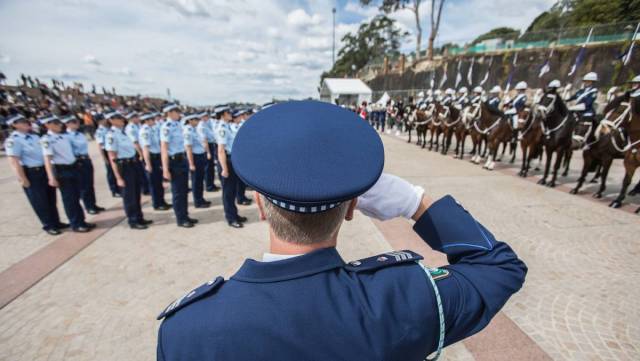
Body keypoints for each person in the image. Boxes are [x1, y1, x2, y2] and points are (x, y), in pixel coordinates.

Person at [156, 100, 527, 360]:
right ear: (353, 208)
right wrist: (415, 202)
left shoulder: (185, 329)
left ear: (260, 206)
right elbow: (500, 267)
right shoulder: (403, 298)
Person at [4, 114, 65, 235]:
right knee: (39, 201)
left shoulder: (35, 137)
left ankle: (56, 222)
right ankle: (48, 225)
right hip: (32, 172)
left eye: (26, 120)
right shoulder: (13, 140)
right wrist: (22, 178)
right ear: (14, 125)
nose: (26, 122)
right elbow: (14, 161)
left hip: (44, 170)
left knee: (50, 198)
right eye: (22, 121)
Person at [41, 115, 95, 233]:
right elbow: (47, 159)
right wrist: (51, 177)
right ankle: (76, 223)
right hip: (62, 170)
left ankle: (81, 221)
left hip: (73, 167)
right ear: (47, 125)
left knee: (76, 196)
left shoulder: (64, 136)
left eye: (59, 122)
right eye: (55, 122)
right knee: (69, 198)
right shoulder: (47, 139)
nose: (60, 124)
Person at [105, 111, 151, 230]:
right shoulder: (111, 135)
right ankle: (133, 220)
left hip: (133, 164)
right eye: (118, 118)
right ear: (111, 120)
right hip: (123, 167)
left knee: (136, 193)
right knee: (129, 195)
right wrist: (118, 177)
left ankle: (139, 217)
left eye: (121, 117)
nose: (121, 119)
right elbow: (112, 157)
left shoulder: (123, 132)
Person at [160, 104, 198, 228]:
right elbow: (164, 149)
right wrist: (165, 169)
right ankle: (181, 219)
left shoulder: (177, 125)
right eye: (176, 111)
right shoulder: (166, 127)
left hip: (182, 160)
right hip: (174, 162)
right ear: (169, 113)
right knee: (177, 192)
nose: (178, 113)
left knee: (183, 191)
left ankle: (185, 215)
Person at [60, 114, 105, 215]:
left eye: (76, 121)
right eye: (73, 122)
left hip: (86, 159)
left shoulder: (80, 134)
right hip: (77, 161)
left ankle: (93, 204)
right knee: (83, 185)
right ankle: (88, 206)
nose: (77, 123)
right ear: (67, 124)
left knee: (89, 183)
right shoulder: (65, 136)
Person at [213, 106, 246, 228]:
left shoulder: (226, 125)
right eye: (228, 113)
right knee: (228, 193)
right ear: (222, 114)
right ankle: (231, 218)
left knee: (232, 191)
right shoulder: (222, 127)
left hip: (231, 159)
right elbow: (221, 150)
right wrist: (224, 168)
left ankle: (235, 214)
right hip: (226, 161)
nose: (230, 114)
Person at [139, 113, 171, 211]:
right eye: (152, 119)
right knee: (154, 183)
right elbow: (145, 148)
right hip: (151, 159)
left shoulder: (152, 128)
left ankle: (161, 201)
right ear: (147, 120)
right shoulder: (145, 131)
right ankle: (157, 203)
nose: (154, 120)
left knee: (158, 182)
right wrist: (148, 164)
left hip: (157, 157)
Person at [183, 113, 210, 208]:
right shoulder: (188, 131)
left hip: (200, 156)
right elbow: (188, 148)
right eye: (195, 120)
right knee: (196, 181)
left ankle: (201, 199)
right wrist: (191, 164)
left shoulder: (194, 129)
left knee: (200, 180)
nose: (198, 121)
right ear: (190, 120)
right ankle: (198, 201)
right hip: (195, 158)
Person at [95, 114, 120, 198]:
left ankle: (118, 188)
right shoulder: (100, 131)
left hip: (112, 149)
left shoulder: (108, 128)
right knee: (111, 172)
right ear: (99, 121)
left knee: (116, 170)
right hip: (106, 151)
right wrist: (104, 158)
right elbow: (100, 146)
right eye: (103, 119)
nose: (105, 121)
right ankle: (114, 190)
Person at [125, 111, 150, 195]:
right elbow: (135, 142)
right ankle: (145, 188)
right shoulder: (130, 128)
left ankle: (147, 186)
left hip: (142, 148)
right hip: (137, 151)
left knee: (144, 170)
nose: (138, 118)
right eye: (136, 117)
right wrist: (141, 153)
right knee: (141, 171)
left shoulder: (138, 125)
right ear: (131, 118)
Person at [230, 109, 252, 206]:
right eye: (239, 116)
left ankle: (242, 196)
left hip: (241, 154)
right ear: (235, 118)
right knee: (238, 179)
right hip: (236, 154)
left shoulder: (239, 125)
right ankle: (240, 197)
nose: (241, 117)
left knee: (241, 179)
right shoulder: (233, 127)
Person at [196, 111, 219, 192]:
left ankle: (211, 184)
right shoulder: (201, 126)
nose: (207, 117)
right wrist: (208, 152)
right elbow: (204, 140)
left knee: (211, 167)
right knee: (208, 168)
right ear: (201, 117)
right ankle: (209, 186)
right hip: (207, 147)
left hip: (210, 145)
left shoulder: (206, 124)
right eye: (205, 116)